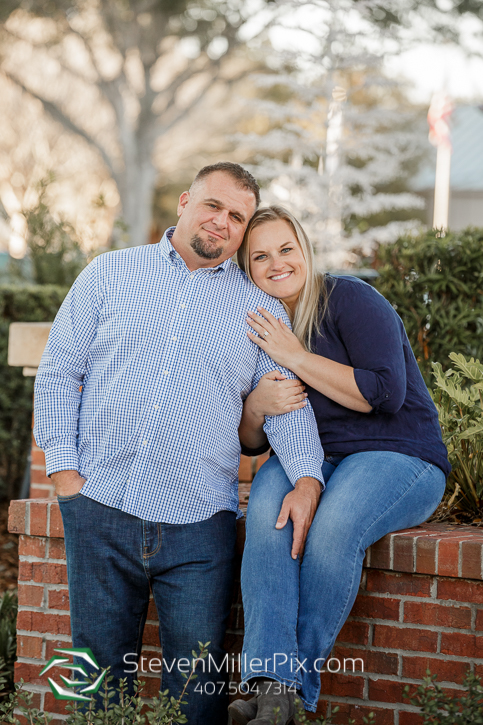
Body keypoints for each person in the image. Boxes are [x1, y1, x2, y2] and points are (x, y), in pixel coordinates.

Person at [33, 166, 324, 725]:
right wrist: (65, 477)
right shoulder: (109, 274)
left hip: (199, 529)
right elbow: (57, 373)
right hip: (100, 509)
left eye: (237, 217)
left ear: (242, 232)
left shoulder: (259, 311)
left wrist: (308, 477)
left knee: (196, 695)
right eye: (213, 206)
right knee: (95, 684)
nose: (222, 222)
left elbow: (285, 403)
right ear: (186, 201)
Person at [228, 206, 450, 725]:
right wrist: (257, 405)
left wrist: (296, 354)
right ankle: (268, 682)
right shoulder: (256, 320)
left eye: (286, 249)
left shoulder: (348, 297)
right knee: (267, 514)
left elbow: (384, 394)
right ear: (246, 267)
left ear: (304, 250)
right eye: (260, 256)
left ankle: (290, 688)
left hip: (398, 454)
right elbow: (254, 442)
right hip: (312, 457)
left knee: (334, 527)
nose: (276, 263)